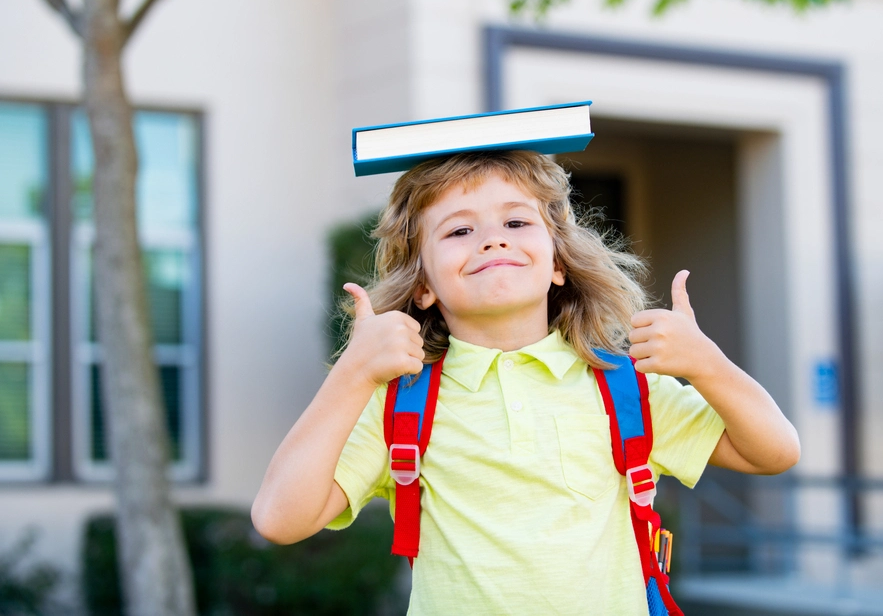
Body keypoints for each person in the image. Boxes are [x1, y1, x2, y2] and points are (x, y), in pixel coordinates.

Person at [252, 150, 800, 615]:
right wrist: (351, 373)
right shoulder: (400, 401)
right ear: (422, 287)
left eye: (516, 223)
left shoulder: (624, 387)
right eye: (460, 230)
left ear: (558, 262)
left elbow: (774, 452)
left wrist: (709, 365)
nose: (492, 240)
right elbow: (280, 519)